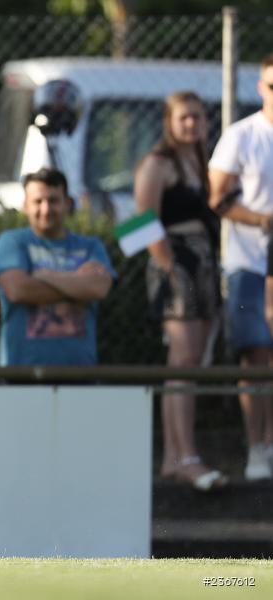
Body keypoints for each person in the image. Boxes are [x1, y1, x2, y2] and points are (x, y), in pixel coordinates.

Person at [134, 91, 225, 491]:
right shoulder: (158, 163)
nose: (191, 124)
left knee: (192, 363)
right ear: (169, 122)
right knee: (182, 366)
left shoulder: (199, 163)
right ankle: (184, 456)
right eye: (184, 117)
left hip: (203, 264)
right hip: (176, 266)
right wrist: (173, 270)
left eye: (198, 117)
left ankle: (176, 456)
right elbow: (137, 226)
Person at [209, 54, 273, 481]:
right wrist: (265, 221)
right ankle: (256, 449)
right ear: (260, 87)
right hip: (250, 264)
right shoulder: (242, 135)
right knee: (256, 356)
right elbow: (218, 199)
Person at [0, 168, 115, 366]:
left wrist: (45, 275)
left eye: (53, 200)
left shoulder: (91, 246)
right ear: (25, 206)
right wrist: (77, 284)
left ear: (68, 203)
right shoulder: (11, 242)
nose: (46, 209)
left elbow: (99, 287)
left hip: (82, 375)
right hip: (21, 375)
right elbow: (17, 290)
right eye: (38, 201)